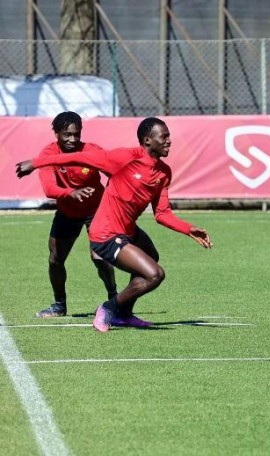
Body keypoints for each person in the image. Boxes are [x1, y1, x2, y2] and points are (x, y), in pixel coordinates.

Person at [16, 117, 212, 333]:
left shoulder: (164, 172)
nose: (169, 141)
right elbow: (80, 157)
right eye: (164, 137)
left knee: (151, 257)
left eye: (169, 137)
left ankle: (124, 314)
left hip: (128, 230)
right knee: (155, 275)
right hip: (106, 233)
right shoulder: (124, 158)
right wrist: (35, 163)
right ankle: (109, 307)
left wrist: (188, 228)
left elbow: (162, 214)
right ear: (147, 140)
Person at [33, 111, 117, 318]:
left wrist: (114, 195)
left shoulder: (92, 151)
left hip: (96, 210)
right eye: (67, 135)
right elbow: (49, 189)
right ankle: (59, 305)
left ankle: (115, 300)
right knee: (55, 259)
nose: (72, 139)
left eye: (76, 134)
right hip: (67, 211)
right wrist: (71, 193)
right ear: (56, 133)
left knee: (99, 257)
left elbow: (115, 171)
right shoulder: (48, 154)